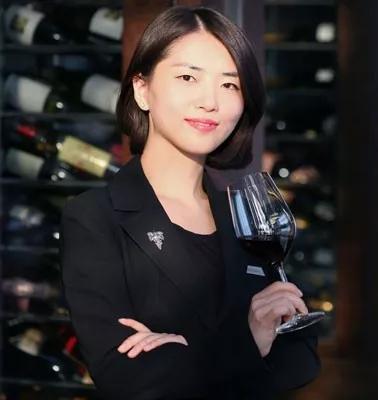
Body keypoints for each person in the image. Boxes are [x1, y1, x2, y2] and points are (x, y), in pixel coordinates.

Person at [60, 6, 320, 400]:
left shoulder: (246, 216)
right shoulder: (95, 217)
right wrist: (249, 339)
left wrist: (184, 348)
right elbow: (125, 377)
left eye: (230, 85)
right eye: (187, 77)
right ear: (142, 89)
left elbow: (300, 357)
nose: (210, 101)